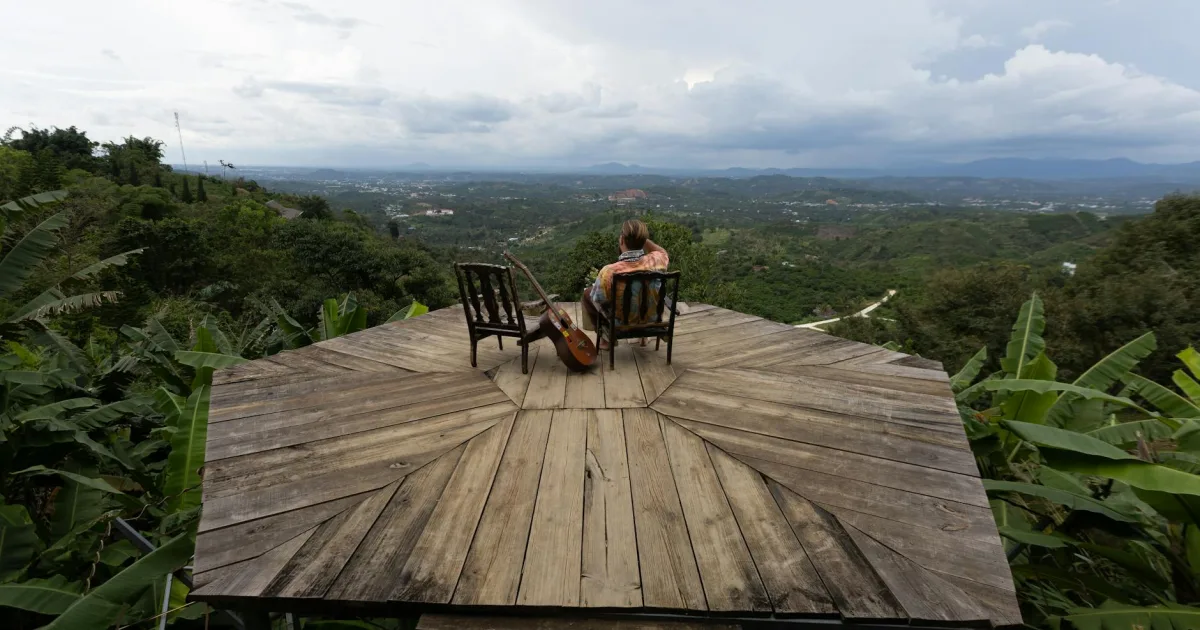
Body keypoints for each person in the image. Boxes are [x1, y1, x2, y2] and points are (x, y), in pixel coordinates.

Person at [581, 219, 669, 349]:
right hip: (651, 319)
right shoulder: (656, 261)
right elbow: (662, 252)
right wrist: (642, 239)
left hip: (622, 322)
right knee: (643, 294)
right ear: (643, 240)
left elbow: (599, 300)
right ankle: (644, 336)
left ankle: (606, 341)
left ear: (622, 240)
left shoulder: (609, 271)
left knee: (588, 294)